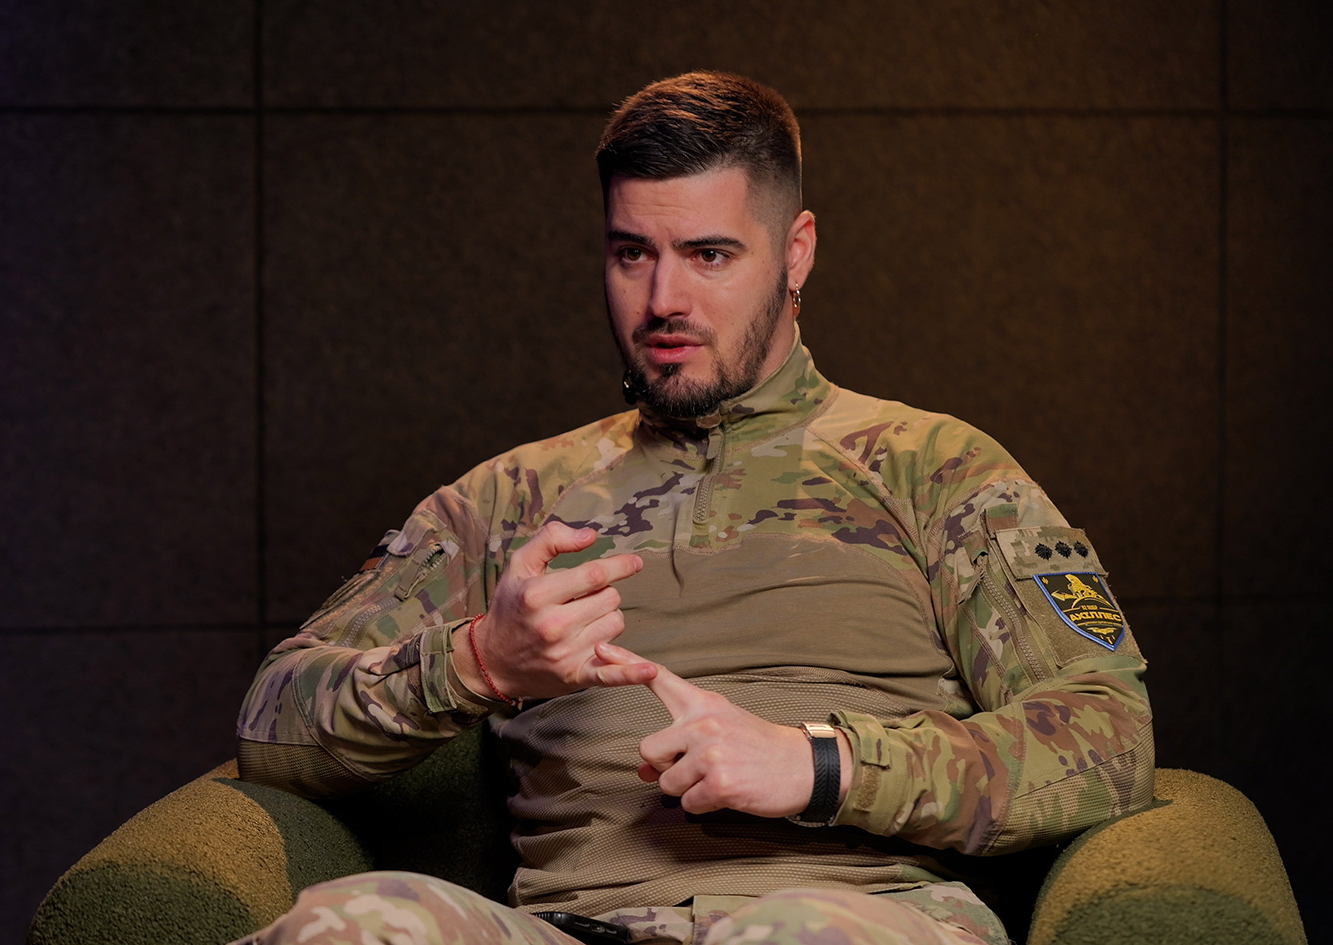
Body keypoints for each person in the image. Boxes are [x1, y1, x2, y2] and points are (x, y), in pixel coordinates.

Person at [233, 71, 1153, 945]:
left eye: (710, 255)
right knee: (348, 922)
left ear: (796, 251)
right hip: (575, 927)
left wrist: (823, 764)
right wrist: (479, 660)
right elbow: (271, 725)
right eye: (632, 254)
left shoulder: (937, 469)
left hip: (847, 919)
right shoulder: (509, 499)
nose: (663, 301)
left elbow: (1109, 734)